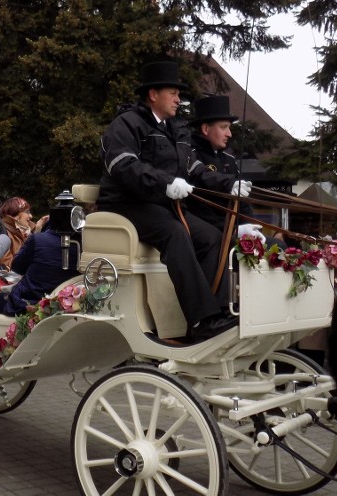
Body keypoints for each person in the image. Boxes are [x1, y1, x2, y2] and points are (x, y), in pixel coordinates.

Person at [98, 61, 247, 340]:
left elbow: (196, 170)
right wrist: (165, 183)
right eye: (173, 93)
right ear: (153, 95)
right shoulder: (126, 125)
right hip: (126, 204)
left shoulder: (175, 131)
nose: (179, 99)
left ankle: (214, 311)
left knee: (213, 237)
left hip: (161, 205)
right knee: (175, 233)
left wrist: (230, 184)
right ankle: (202, 321)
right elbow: (124, 167)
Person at [186, 95, 272, 246]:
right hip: (211, 235)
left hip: (235, 230)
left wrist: (253, 228)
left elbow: (243, 202)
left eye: (229, 128)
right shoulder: (190, 154)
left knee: (278, 246)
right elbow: (197, 204)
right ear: (205, 129)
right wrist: (234, 231)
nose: (229, 134)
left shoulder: (229, 159)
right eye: (224, 127)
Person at [0, 228, 81, 316]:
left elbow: (17, 267)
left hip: (29, 305)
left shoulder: (38, 239)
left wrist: (38, 231)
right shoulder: (82, 245)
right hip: (66, 306)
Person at [0, 197, 48, 268]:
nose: (31, 216)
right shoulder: (4, 234)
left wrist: (37, 233)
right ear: (15, 214)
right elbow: (8, 265)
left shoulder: (29, 231)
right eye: (27, 212)